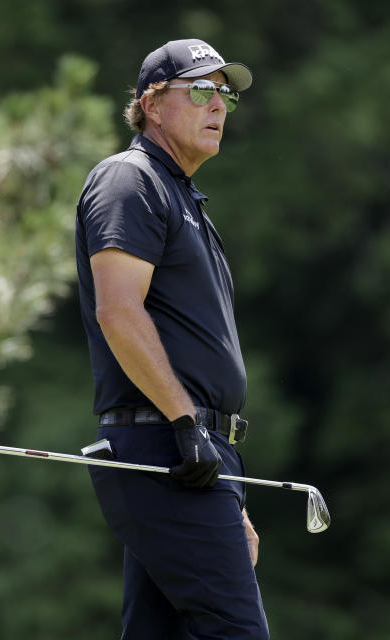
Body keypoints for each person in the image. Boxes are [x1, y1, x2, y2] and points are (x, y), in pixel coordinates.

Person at [74, 39, 268, 639]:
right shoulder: (128, 180)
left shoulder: (183, 196)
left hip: (196, 453)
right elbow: (119, 313)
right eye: (203, 91)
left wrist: (226, 482)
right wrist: (187, 427)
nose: (219, 106)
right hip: (168, 446)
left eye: (225, 95)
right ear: (153, 104)